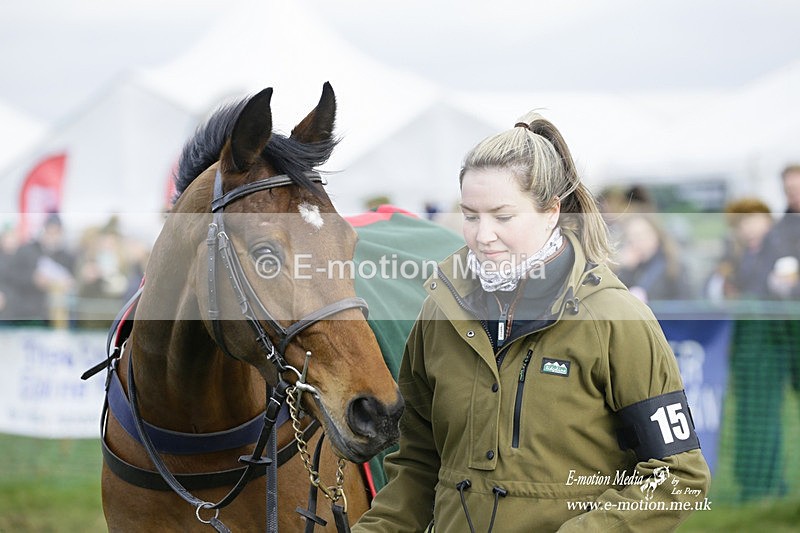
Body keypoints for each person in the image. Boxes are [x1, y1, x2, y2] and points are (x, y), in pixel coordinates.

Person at [353, 113, 710, 532]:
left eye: (503, 217)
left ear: (552, 211)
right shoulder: (438, 313)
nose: (483, 235)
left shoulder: (615, 319)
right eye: (470, 215)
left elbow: (679, 477)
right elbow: (417, 467)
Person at [3, 213, 76, 326]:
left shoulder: (67, 257)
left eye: (56, 232)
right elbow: (10, 275)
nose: (52, 236)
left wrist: (69, 283)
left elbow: (74, 280)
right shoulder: (26, 251)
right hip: (24, 312)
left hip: (53, 316)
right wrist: (33, 279)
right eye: (49, 231)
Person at [614, 213, 694, 303]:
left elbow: (685, 302)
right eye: (632, 236)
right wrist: (626, 269)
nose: (638, 240)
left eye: (642, 234)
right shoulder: (628, 268)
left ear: (656, 235)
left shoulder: (673, 265)